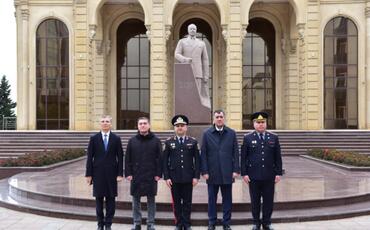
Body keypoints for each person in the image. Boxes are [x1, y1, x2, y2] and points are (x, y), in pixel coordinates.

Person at [241, 112, 283, 230]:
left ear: (266, 123)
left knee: (268, 200)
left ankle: (267, 222)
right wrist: (244, 173)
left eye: (263, 122)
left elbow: (277, 157)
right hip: (253, 176)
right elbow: (243, 157)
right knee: (255, 201)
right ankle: (255, 222)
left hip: (269, 176)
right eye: (258, 122)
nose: (260, 125)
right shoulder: (248, 138)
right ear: (254, 124)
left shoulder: (273, 138)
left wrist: (279, 172)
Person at [200, 109, 240, 230]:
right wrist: (205, 171)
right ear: (214, 119)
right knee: (212, 199)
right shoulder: (207, 134)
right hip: (212, 173)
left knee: (227, 199)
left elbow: (235, 152)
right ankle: (212, 222)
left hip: (227, 172)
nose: (219, 119)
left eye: (221, 117)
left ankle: (226, 222)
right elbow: (204, 154)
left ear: (224, 118)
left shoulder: (231, 133)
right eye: (217, 117)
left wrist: (236, 170)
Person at [85, 115, 124, 230]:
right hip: (98, 174)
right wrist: (88, 174)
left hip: (112, 174)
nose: (105, 123)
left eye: (107, 121)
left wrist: (120, 173)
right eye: (103, 121)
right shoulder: (94, 138)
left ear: (111, 124)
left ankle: (108, 224)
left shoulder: (116, 139)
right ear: (100, 124)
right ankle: (100, 224)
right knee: (99, 200)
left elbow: (120, 157)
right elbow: (89, 157)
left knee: (111, 200)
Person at [163, 115, 201, 230]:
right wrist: (166, 177)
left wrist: (196, 177)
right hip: (174, 178)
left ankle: (187, 223)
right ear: (174, 128)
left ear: (186, 127)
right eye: (177, 126)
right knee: (177, 203)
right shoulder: (169, 142)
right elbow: (164, 161)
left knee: (187, 202)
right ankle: (179, 224)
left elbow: (197, 161)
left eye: (182, 125)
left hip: (188, 178)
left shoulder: (193, 142)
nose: (180, 128)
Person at [125, 117, 162, 230]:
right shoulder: (132, 141)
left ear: (149, 125)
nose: (143, 125)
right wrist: (128, 173)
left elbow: (160, 158)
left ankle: (150, 223)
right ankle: (137, 222)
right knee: (136, 200)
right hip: (136, 175)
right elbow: (127, 159)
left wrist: (158, 174)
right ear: (137, 126)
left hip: (151, 175)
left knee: (151, 200)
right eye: (140, 123)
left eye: (145, 123)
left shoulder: (156, 140)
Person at [175, 23, 211, 109]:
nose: (192, 30)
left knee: (198, 95)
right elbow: (176, 54)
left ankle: (196, 108)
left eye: (194, 29)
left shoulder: (201, 43)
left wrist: (206, 75)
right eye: (191, 29)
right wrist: (184, 59)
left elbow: (205, 60)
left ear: (196, 30)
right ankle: (186, 107)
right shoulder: (182, 42)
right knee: (185, 94)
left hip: (198, 72)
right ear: (188, 30)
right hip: (185, 72)